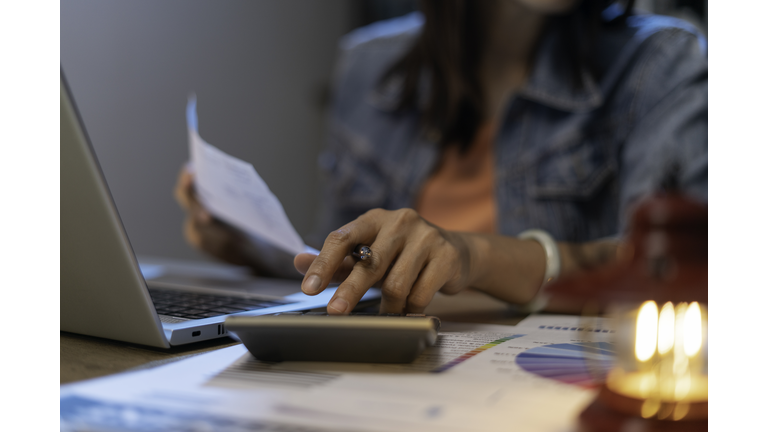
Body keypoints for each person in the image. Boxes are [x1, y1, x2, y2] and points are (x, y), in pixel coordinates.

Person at [176, 0, 707, 316]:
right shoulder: (368, 66)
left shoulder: (659, 64)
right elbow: (345, 266)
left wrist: (473, 255)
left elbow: (675, 271)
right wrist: (252, 247)